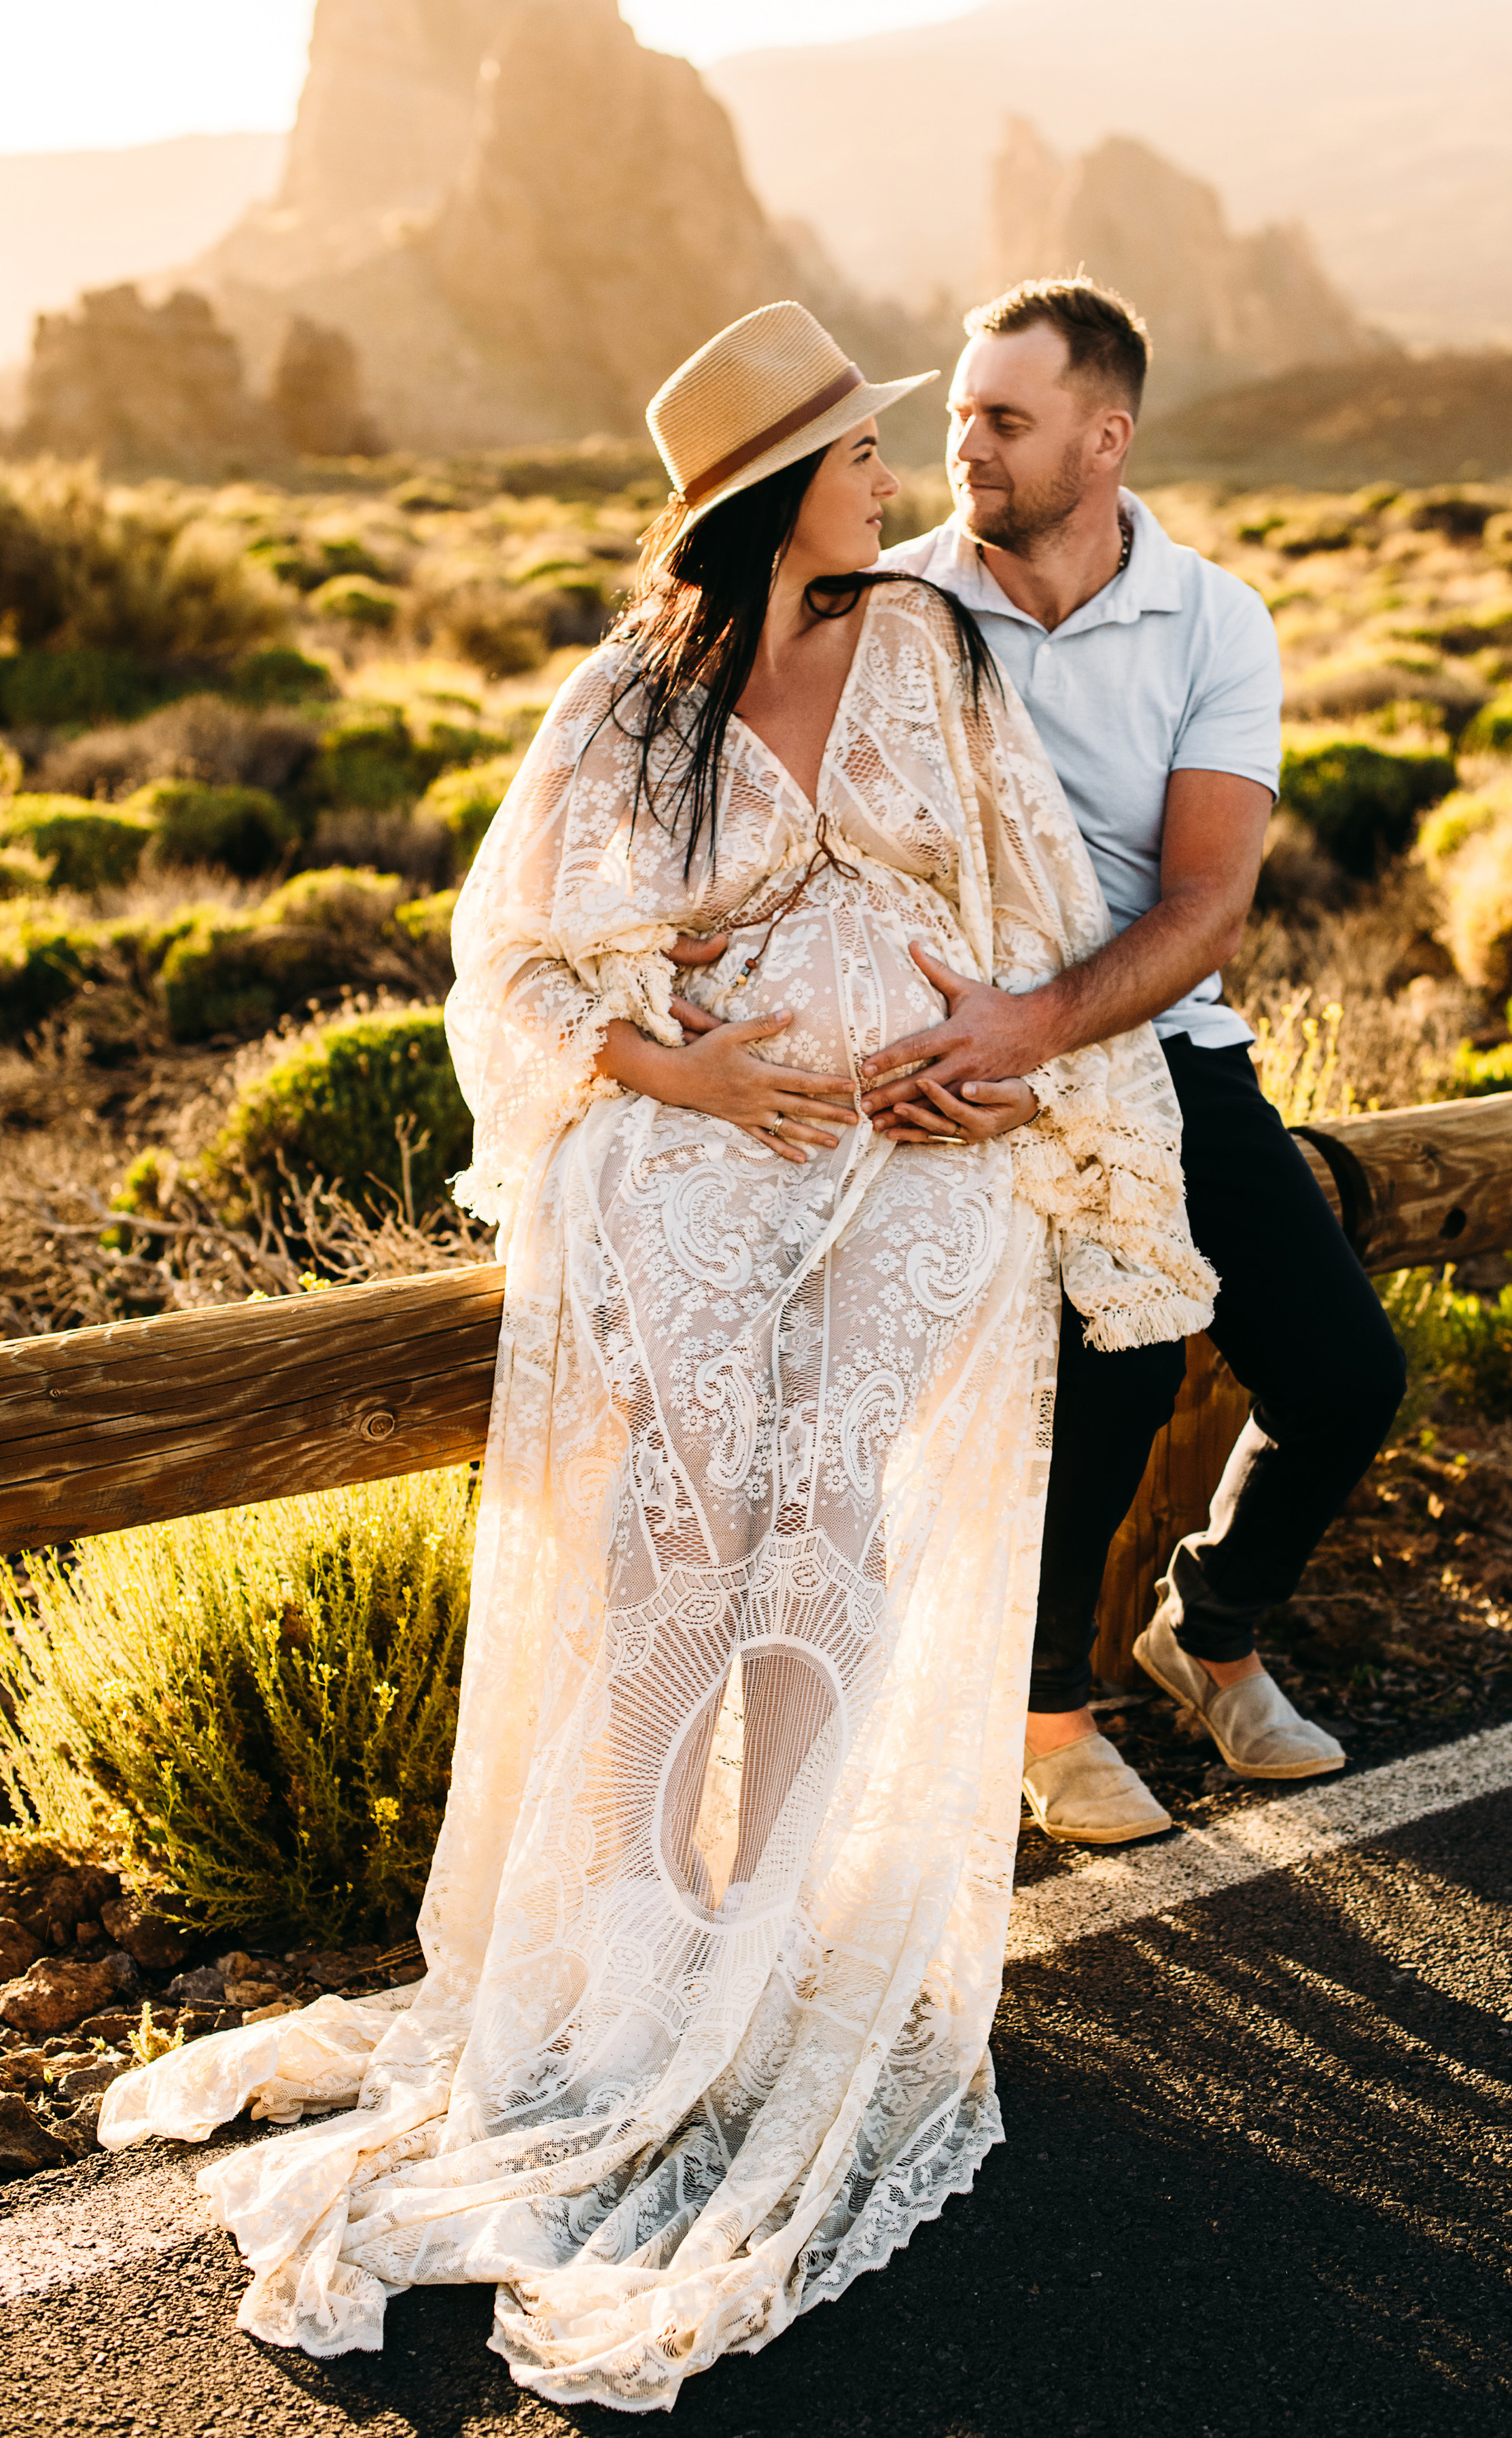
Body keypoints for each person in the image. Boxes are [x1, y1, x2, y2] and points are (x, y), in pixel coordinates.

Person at [101, 302, 1215, 2408]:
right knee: (676, 1529)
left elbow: (1038, 901)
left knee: (832, 1508)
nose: (896, 480)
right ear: (773, 489)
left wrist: (1006, 1064)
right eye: (862, 455)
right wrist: (681, 1079)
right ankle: (630, 1923)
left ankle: (776, 1937)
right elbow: (504, 972)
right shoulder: (626, 700)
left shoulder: (935, 656)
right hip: (703, 1159)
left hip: (906, 1157)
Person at [857, 277, 1407, 1843]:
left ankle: (1209, 1631)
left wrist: (1043, 1023)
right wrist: (969, 1047)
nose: (962, 444)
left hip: (1153, 1047)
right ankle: (1043, 1716)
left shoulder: (1213, 617)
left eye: (1002, 419)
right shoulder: (894, 608)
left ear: (1104, 438)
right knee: (1117, 1365)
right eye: (958, 414)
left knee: (1344, 1373)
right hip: (952, 1064)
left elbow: (1206, 900)